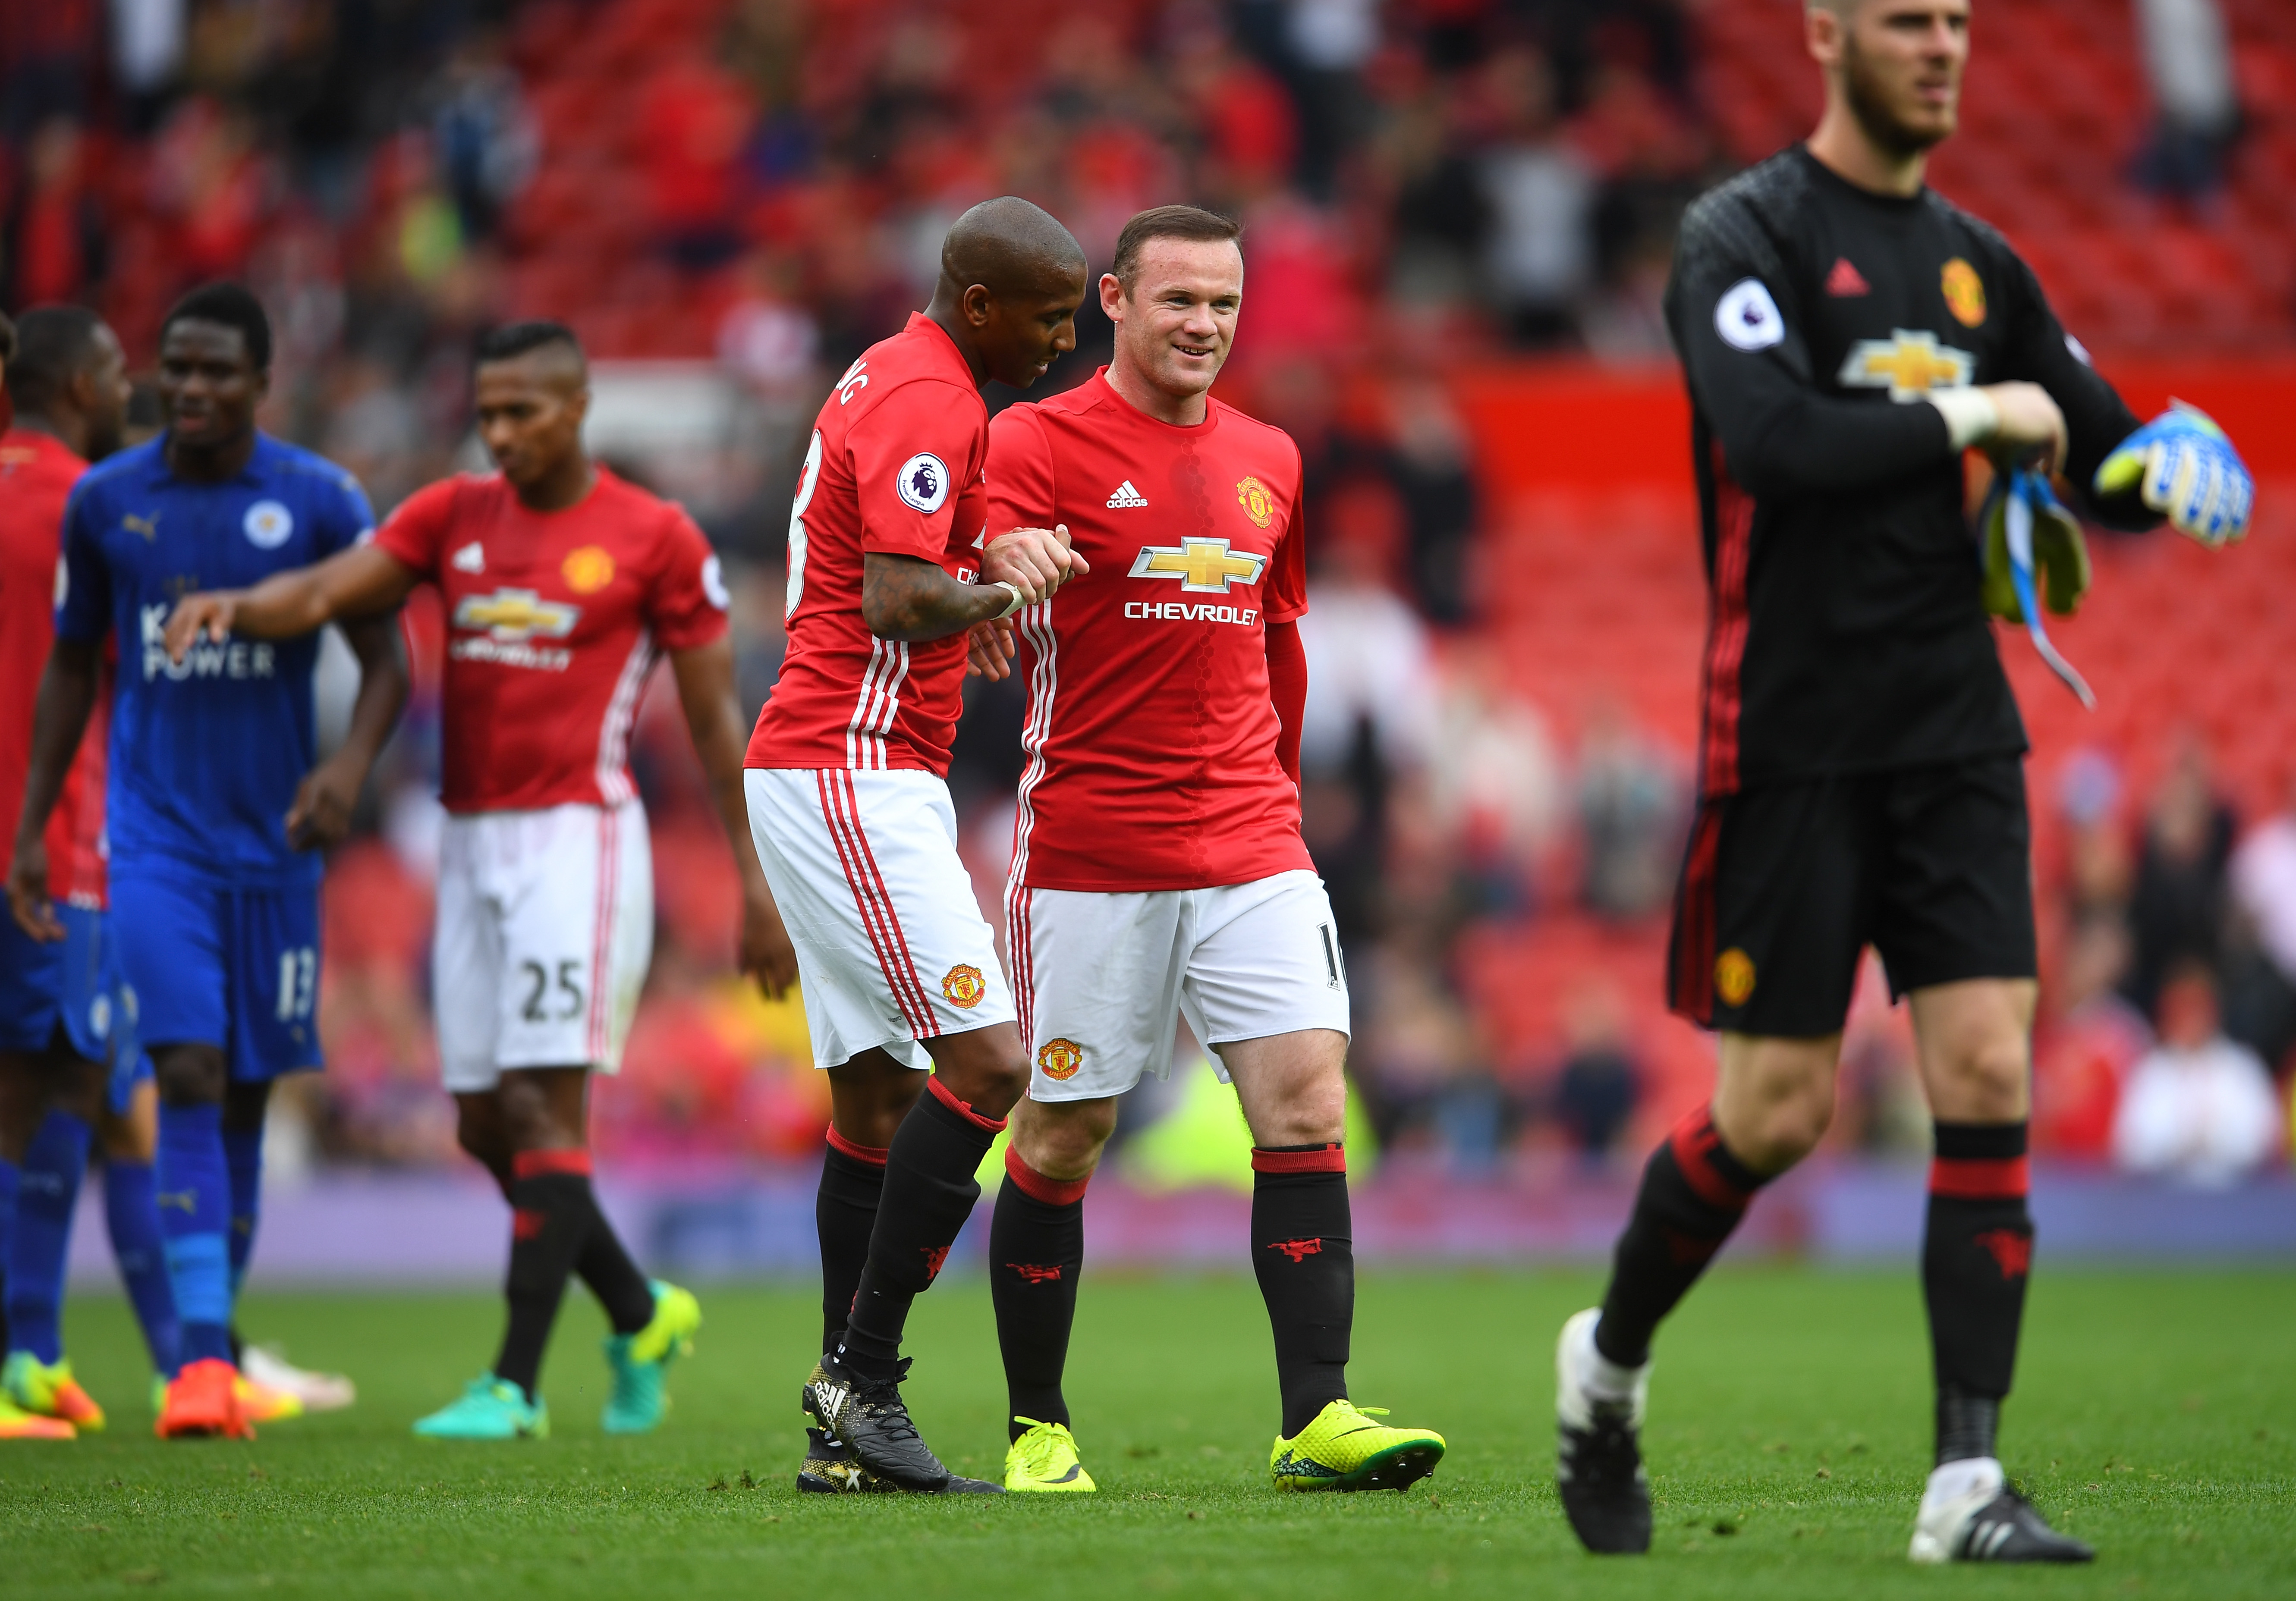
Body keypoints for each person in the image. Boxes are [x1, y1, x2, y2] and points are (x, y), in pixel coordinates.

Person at [1551, 0, 2251, 1567]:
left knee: (1986, 1065)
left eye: (1952, 21)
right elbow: (1771, 436)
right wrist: (1968, 412)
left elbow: (2090, 441)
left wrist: (2158, 467)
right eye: (1903, 21)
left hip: (1952, 728)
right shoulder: (1740, 235)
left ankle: (1961, 1481)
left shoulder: (1975, 262)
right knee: (1775, 1112)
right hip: (1787, 737)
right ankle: (1601, 1366)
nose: (1937, 45)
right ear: (1823, 35)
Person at [163, 320, 792, 1440]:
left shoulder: (653, 539)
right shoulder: (453, 515)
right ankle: (641, 1311)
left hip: (577, 840)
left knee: (548, 1104)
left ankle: (514, 1383)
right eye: (487, 413)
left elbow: (711, 723)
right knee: (482, 1122)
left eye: (522, 413)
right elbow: (328, 593)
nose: (499, 434)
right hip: (466, 842)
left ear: (577, 405)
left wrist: (753, 883)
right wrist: (236, 608)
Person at [970, 203, 1447, 1496]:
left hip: (1249, 836)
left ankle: (1318, 1412)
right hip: (1091, 842)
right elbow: (986, 538)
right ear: (1113, 301)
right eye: (1178, 300)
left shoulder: (1271, 459)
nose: (1203, 326)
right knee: (1066, 1129)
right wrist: (997, 558)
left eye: (1224, 305)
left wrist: (1282, 805)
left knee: (1302, 1100)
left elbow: (1277, 638)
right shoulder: (1038, 437)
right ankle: (1036, 1424)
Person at [9, 283, 409, 1440]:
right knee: (182, 1070)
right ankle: (195, 1367)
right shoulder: (107, 503)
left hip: (276, 849)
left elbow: (387, 663)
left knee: (240, 1093)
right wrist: (37, 826)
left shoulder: (318, 499)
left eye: (215, 372)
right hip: (154, 842)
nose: (188, 389)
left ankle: (210, 1345)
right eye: (173, 369)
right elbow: (73, 671)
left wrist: (346, 774)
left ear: (260, 382)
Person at [742, 196, 1086, 1494]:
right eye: (1052, 315)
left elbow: (909, 562)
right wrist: (1003, 586)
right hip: (849, 761)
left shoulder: (903, 375)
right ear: (982, 302)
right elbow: (896, 593)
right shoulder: (933, 398)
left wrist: (974, 565)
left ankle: (844, 1432)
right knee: (990, 1062)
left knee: (879, 1096)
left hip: (848, 762)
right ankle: (862, 1378)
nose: (1064, 340)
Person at [0, 305, 189, 1439]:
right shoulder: (93, 506)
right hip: (53, 838)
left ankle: (51, 1354)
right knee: (55, 1083)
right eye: (119, 372)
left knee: (84, 1088)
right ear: (77, 386)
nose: (133, 388)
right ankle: (25, 1349)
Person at [2111, 963, 2279, 1187]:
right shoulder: (2152, 1070)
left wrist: (2213, 1138)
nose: (2192, 1019)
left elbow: (2264, 1140)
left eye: (2197, 1007)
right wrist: (2181, 1139)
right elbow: (2130, 1146)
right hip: (2161, 1202)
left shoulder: (2241, 1068)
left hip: (2234, 1201)